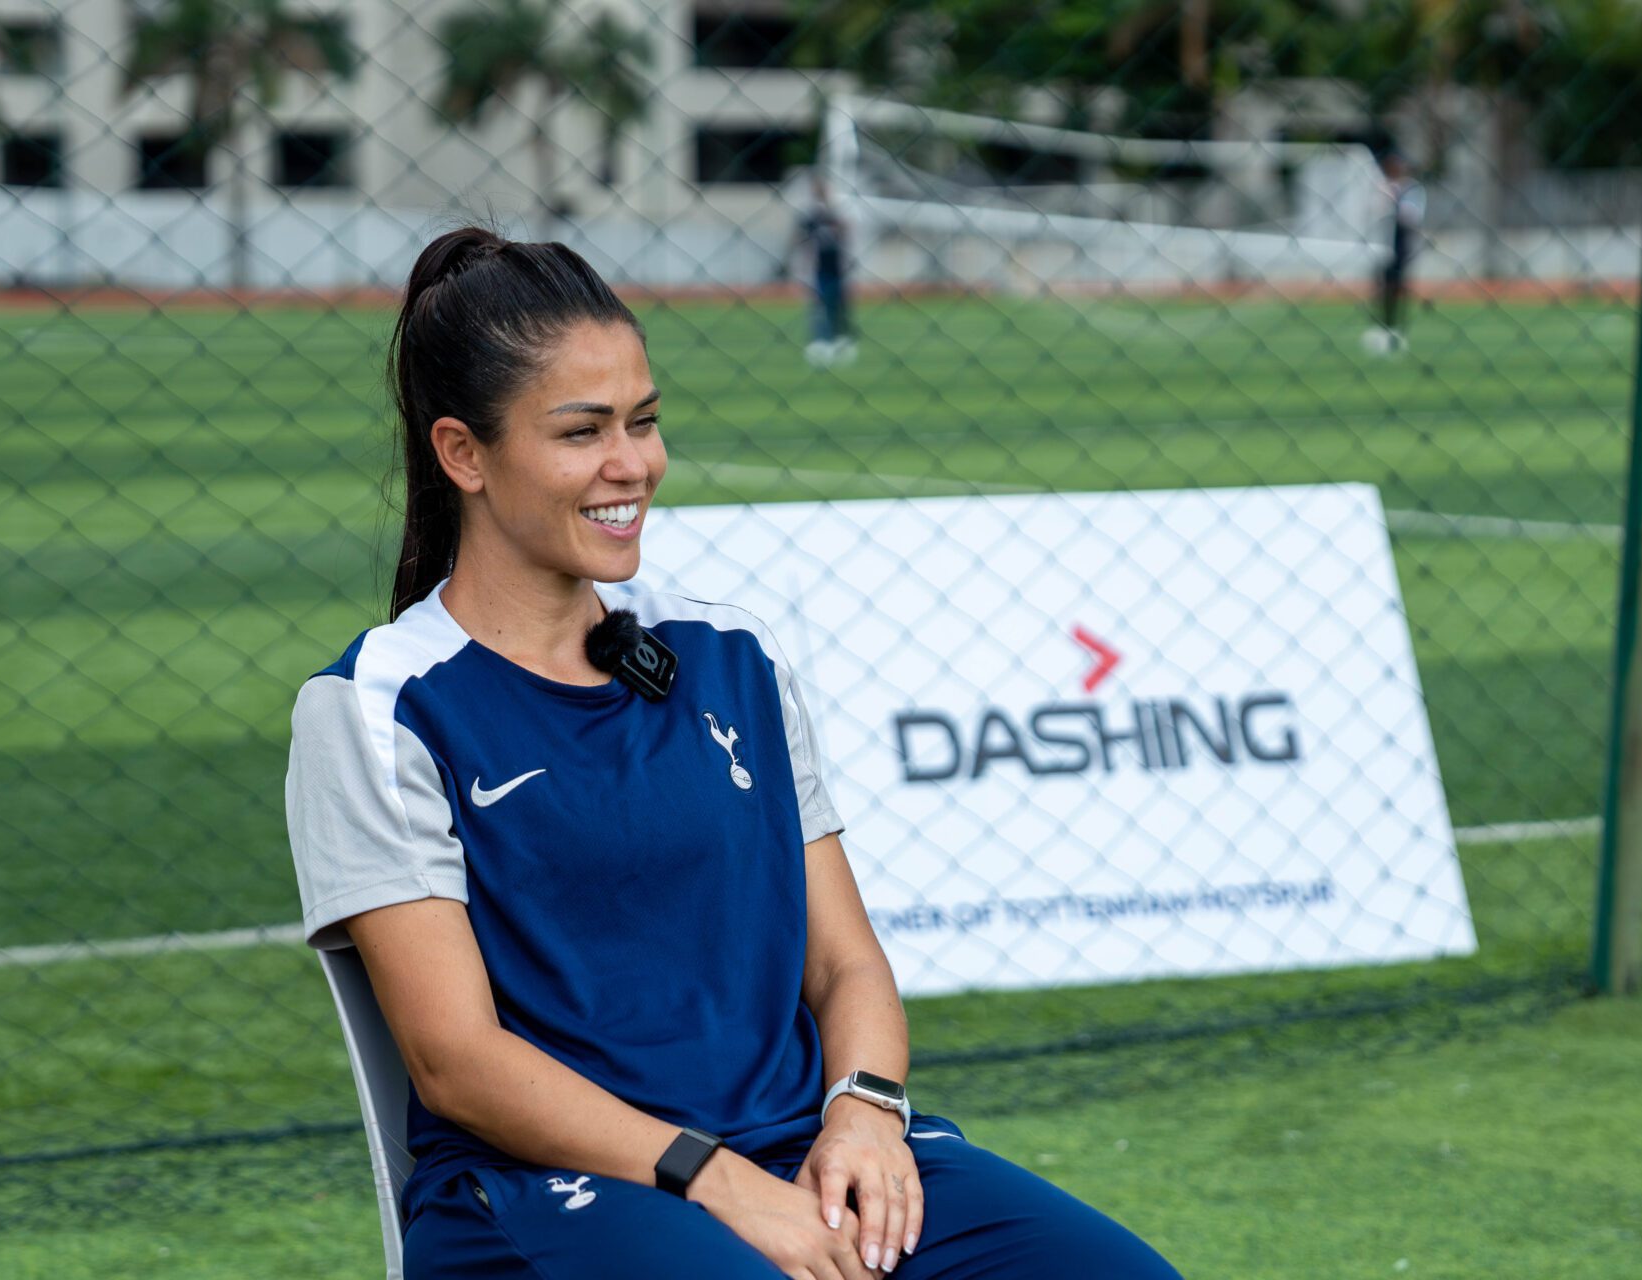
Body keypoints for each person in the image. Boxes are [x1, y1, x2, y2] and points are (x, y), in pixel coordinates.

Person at [283, 226, 1183, 1280]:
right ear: (462, 453)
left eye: (645, 421)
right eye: (582, 432)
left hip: (801, 1149)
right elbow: (457, 1063)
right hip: (543, 1191)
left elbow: (847, 962)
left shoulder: (732, 653)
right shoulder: (376, 707)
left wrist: (865, 1113)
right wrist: (713, 1176)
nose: (632, 465)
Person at [1364, 149, 1426, 356]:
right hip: (1380, 240)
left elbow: (1411, 216)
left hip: (1400, 241)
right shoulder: (1380, 186)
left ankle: (1395, 327)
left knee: (1398, 285)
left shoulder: (1412, 189)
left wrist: (1395, 202)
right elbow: (1372, 210)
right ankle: (1381, 325)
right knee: (1380, 285)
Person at [799, 176, 856, 367]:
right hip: (820, 269)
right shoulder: (811, 217)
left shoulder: (834, 215)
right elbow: (803, 241)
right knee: (819, 306)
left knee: (838, 306)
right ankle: (821, 340)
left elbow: (845, 233)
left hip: (836, 268)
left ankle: (840, 338)